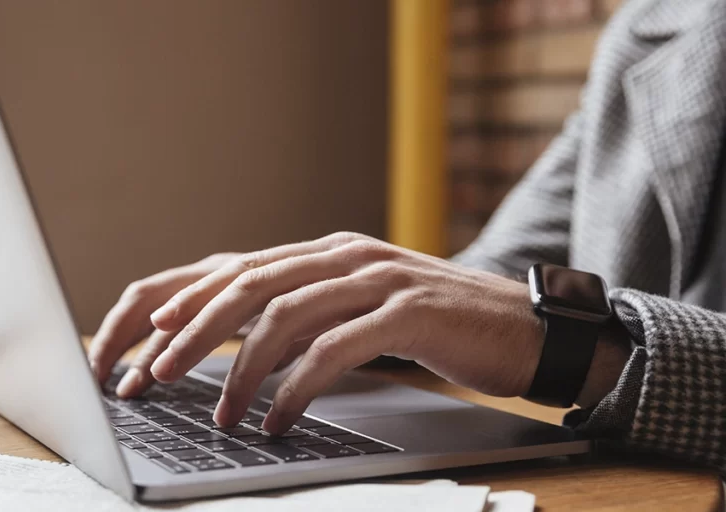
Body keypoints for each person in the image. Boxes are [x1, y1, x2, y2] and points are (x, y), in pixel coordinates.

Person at [89, 0, 726, 476]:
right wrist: (325, 292)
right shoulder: (652, 22)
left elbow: (531, 325)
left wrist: (578, 349)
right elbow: (494, 276)